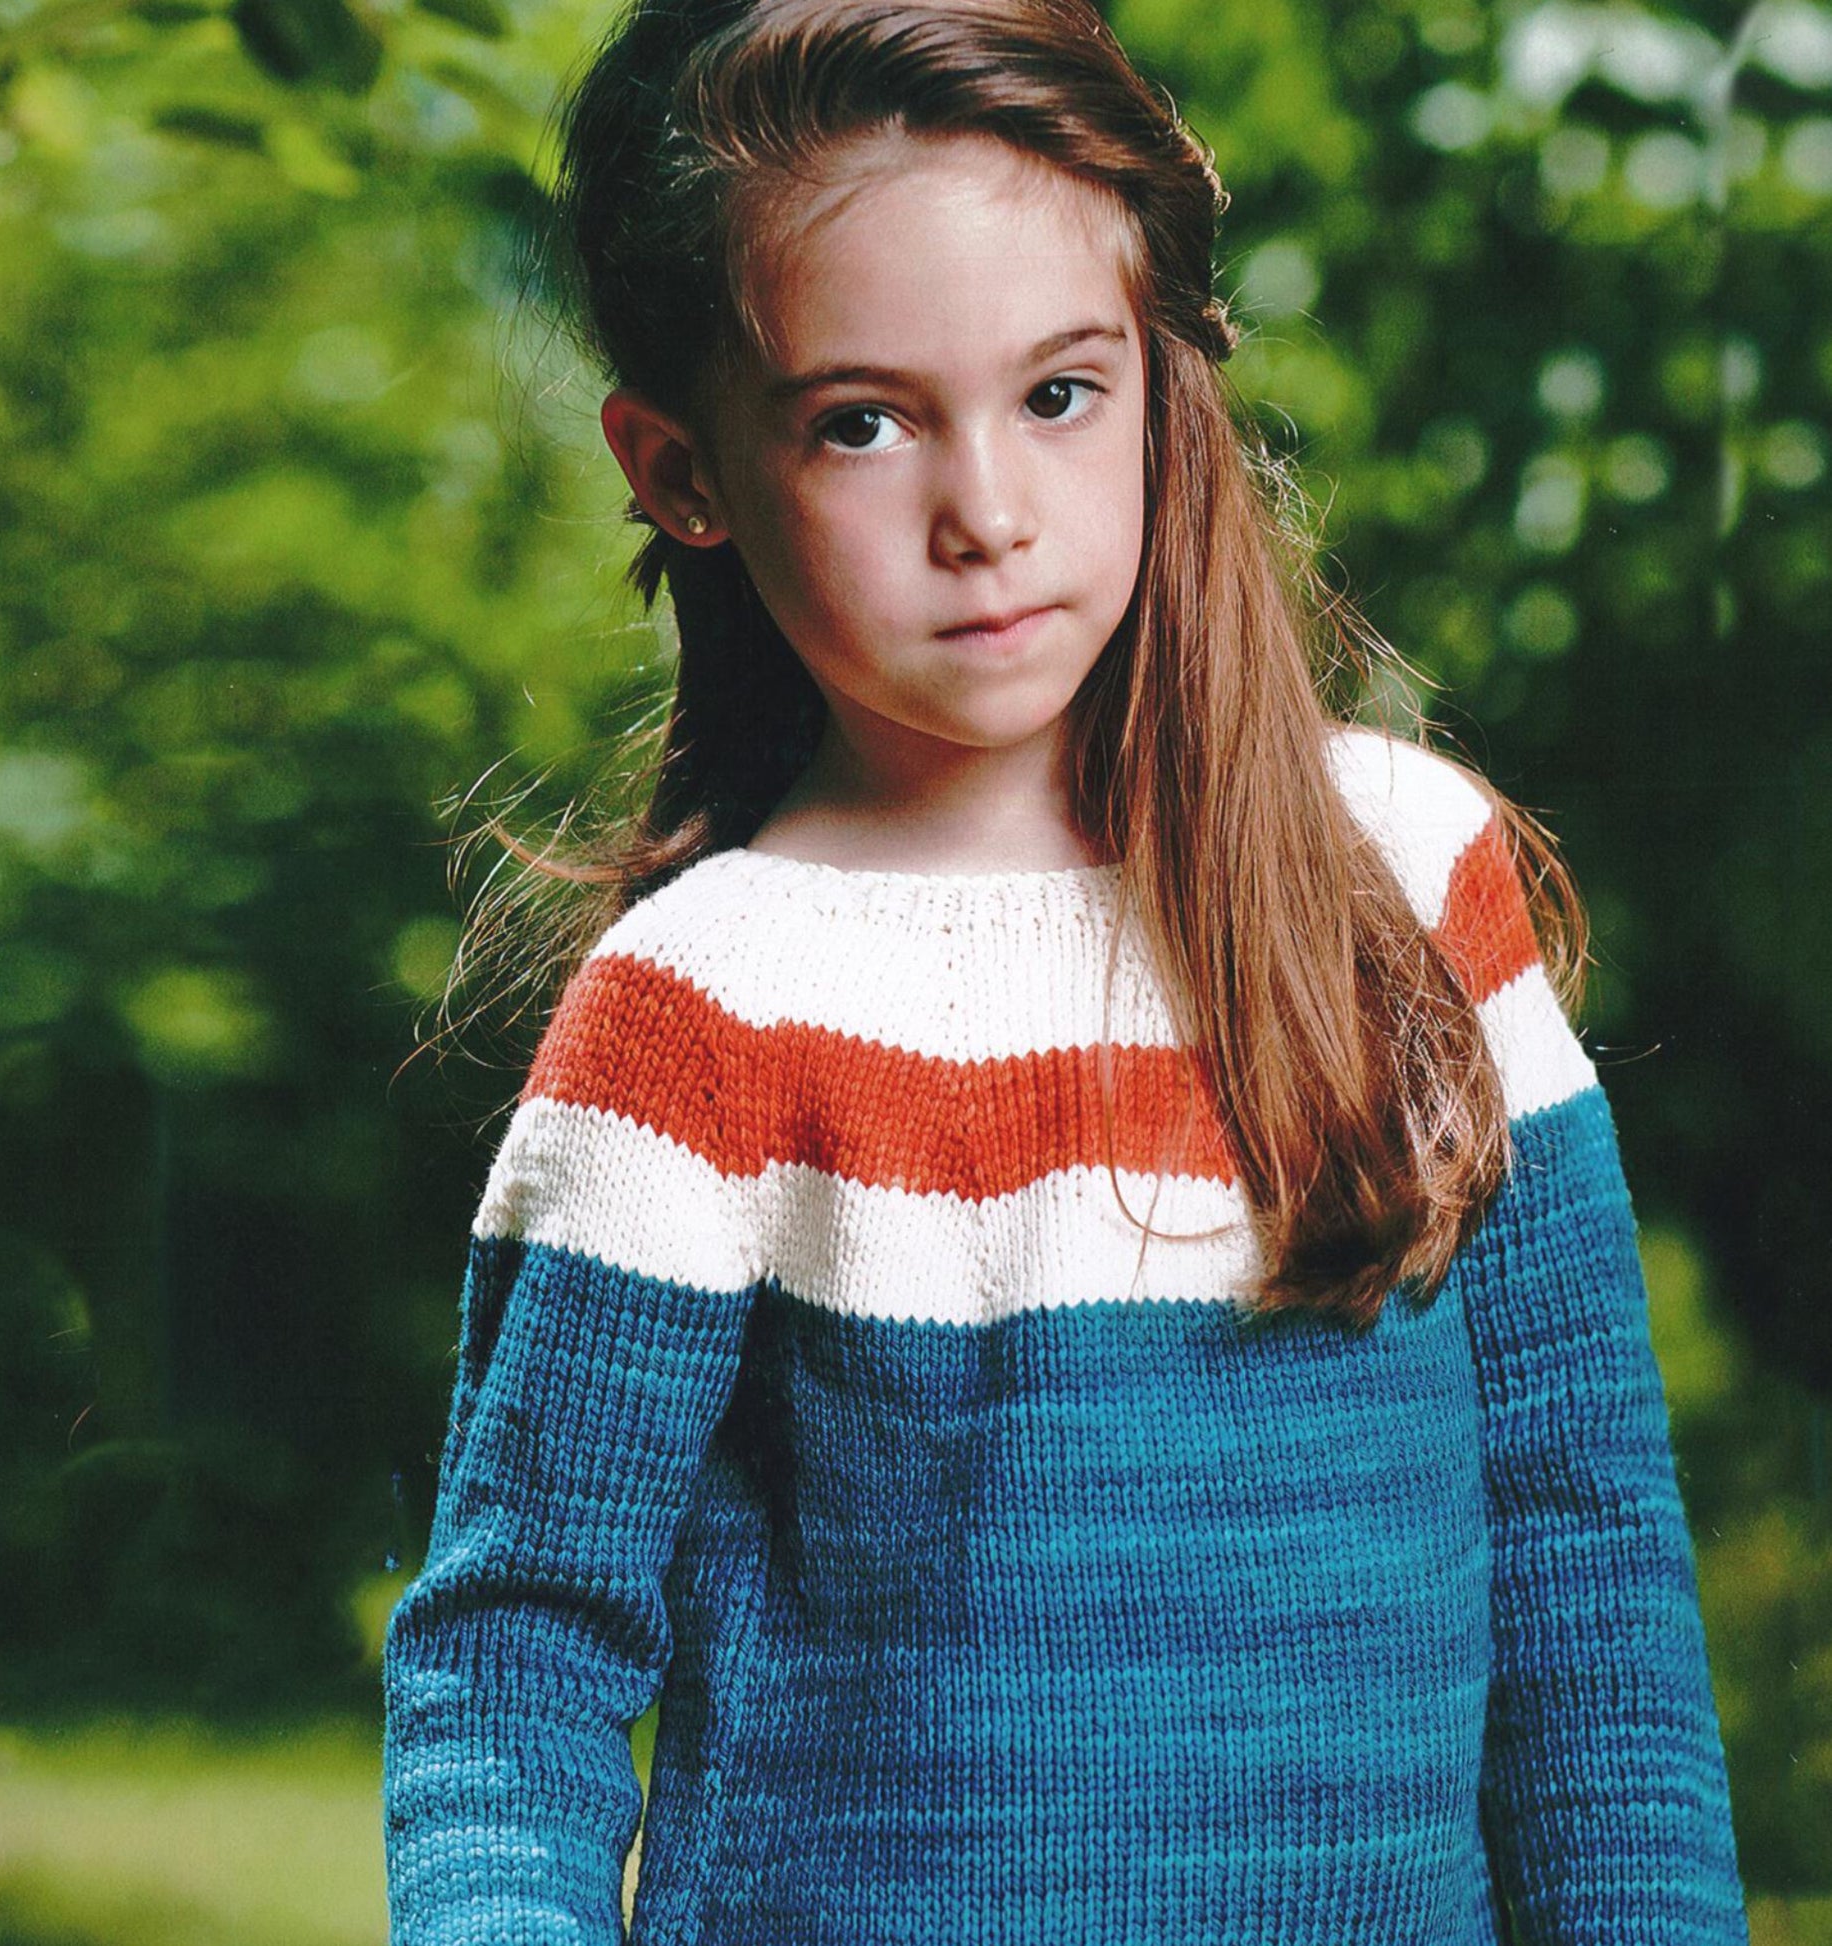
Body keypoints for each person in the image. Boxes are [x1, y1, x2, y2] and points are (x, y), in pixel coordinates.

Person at [381, 0, 1751, 1939]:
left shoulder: (1401, 885)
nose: (987, 513)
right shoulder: (704, 1015)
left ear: (1161, 376)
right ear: (680, 469)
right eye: (861, 420)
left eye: (1057, 393)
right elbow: (517, 1659)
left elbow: (1585, 1555)